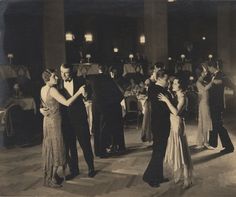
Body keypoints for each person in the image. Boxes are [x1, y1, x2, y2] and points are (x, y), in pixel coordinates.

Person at [40, 69, 85, 187]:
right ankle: (51, 179)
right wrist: (79, 92)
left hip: (47, 121)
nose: (57, 78)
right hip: (55, 122)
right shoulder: (53, 90)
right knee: (57, 149)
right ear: (48, 78)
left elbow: (43, 105)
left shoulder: (43, 89)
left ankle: (52, 176)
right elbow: (67, 103)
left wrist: (41, 110)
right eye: (54, 76)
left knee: (51, 147)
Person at [59, 63, 95, 179]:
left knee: (85, 144)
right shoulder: (58, 84)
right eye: (62, 72)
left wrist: (85, 94)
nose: (63, 75)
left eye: (66, 73)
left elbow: (88, 96)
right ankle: (74, 170)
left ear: (71, 73)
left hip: (79, 118)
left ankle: (91, 167)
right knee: (70, 147)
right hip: (66, 120)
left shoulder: (80, 81)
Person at [158, 76, 193, 189]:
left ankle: (187, 179)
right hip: (173, 125)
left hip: (177, 125)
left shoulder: (182, 97)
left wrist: (166, 100)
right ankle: (180, 176)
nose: (173, 84)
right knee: (177, 152)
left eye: (176, 83)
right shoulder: (177, 94)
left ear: (181, 86)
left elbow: (176, 111)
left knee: (182, 153)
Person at [87, 65, 125, 158]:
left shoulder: (92, 79)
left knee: (97, 128)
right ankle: (103, 151)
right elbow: (119, 95)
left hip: (95, 107)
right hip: (107, 108)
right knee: (104, 129)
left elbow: (88, 95)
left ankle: (98, 151)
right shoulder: (107, 79)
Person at [143, 69, 171, 188]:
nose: (168, 82)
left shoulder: (155, 88)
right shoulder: (157, 90)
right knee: (159, 151)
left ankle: (157, 176)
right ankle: (151, 177)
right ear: (159, 79)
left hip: (160, 123)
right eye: (166, 79)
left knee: (160, 151)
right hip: (160, 124)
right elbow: (162, 109)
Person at [207, 62, 234, 154]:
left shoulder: (221, 75)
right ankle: (213, 143)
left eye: (209, 68)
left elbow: (232, 85)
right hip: (213, 104)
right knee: (214, 123)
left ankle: (229, 147)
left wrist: (222, 82)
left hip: (218, 105)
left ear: (212, 67)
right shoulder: (212, 75)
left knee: (218, 124)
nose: (208, 70)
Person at [195, 66, 215, 149]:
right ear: (200, 73)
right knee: (204, 122)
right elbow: (205, 89)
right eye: (204, 72)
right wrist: (212, 81)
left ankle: (204, 142)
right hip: (203, 104)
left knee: (204, 122)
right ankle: (204, 143)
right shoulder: (198, 83)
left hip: (205, 104)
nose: (206, 73)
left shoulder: (202, 81)